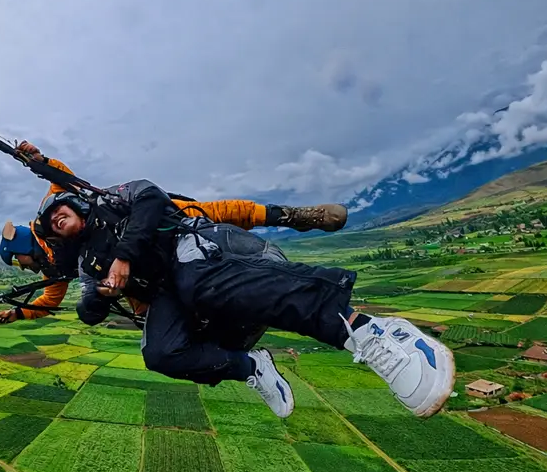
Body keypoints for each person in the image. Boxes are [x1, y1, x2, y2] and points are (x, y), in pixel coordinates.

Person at [32, 173, 455, 420]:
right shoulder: (87, 262)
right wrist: (103, 293)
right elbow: (87, 309)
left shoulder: (114, 202)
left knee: (198, 283)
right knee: (160, 353)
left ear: (76, 206)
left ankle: (369, 332)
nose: (56, 219)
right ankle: (251, 367)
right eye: (51, 224)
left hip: (194, 246)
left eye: (58, 212)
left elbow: (149, 196)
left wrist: (123, 258)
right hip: (170, 290)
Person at [0, 141, 347, 324]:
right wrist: (17, 313)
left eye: (19, 262)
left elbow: (61, 180)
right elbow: (48, 302)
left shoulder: (49, 217)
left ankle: (293, 216)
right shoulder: (52, 271)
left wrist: (38, 160)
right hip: (136, 269)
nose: (24, 267)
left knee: (211, 214)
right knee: (149, 311)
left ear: (23, 247)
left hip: (134, 220)